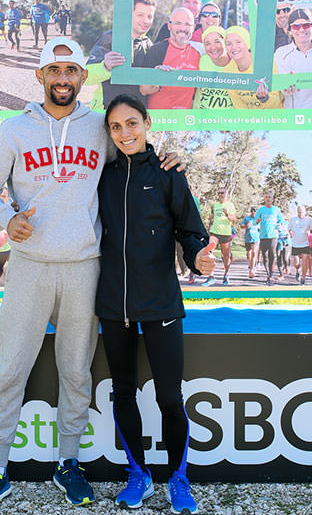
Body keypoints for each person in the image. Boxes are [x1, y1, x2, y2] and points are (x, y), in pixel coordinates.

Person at [0, 38, 182, 511]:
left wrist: (166, 160)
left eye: (72, 71)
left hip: (85, 268)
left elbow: (134, 149)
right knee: (10, 372)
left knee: (76, 375)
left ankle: (68, 464)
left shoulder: (98, 129)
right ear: (40, 76)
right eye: (54, 70)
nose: (63, 78)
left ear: (84, 77)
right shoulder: (15, 128)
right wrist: (5, 217)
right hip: (29, 268)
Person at [95, 93, 213, 513]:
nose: (125, 133)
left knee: (169, 398)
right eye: (116, 127)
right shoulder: (102, 176)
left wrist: (198, 256)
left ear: (146, 123)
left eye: (131, 123)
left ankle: (178, 480)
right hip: (113, 305)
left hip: (161, 302)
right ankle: (139, 475)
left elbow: (190, 230)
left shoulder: (169, 173)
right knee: (123, 393)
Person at [85, 0, 156, 110]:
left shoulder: (148, 44)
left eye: (149, 16)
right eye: (140, 15)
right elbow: (85, 77)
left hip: (135, 114)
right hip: (106, 112)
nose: (146, 21)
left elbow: (151, 82)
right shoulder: (109, 39)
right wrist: (105, 67)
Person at [136, 7, 200, 110]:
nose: (183, 28)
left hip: (184, 121)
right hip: (159, 120)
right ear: (169, 26)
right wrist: (158, 77)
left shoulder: (197, 55)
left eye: (188, 24)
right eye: (178, 23)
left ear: (194, 27)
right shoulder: (157, 50)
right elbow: (143, 90)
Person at [273, 8, 312, 109]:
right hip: (296, 116)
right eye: (296, 26)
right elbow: (280, 88)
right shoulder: (281, 53)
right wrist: (285, 90)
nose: (301, 30)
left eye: (306, 25)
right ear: (290, 31)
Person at [202, 188, 234, 286]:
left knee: (226, 256)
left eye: (222, 193)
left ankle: (226, 275)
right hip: (215, 232)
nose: (220, 194)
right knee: (209, 250)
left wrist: (227, 214)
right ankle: (211, 276)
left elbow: (234, 219)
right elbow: (212, 216)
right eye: (219, 193)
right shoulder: (215, 205)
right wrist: (211, 217)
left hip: (226, 233)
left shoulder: (230, 205)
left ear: (226, 194)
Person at [254, 193, 285, 286]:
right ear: (264, 199)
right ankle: (268, 273)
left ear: (272, 199)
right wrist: (257, 221)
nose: (268, 199)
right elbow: (255, 222)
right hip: (263, 236)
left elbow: (281, 221)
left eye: (270, 197)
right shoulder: (260, 210)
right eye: (266, 197)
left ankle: (271, 274)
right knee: (265, 255)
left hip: (273, 235)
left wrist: (280, 224)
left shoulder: (276, 210)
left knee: (272, 253)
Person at [288, 205, 312, 285]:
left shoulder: (308, 220)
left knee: (304, 262)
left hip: (305, 244)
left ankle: (303, 278)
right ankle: (297, 271)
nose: (300, 214)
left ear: (305, 212)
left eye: (302, 212)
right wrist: (290, 232)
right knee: (296, 264)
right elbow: (289, 229)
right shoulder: (293, 220)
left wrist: (310, 232)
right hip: (295, 244)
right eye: (299, 212)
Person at [240, 206, 260, 278]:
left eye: (255, 212)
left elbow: (262, 228)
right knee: (249, 255)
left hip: (256, 238)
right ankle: (251, 264)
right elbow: (241, 226)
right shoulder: (246, 218)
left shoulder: (258, 219)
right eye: (252, 211)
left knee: (254, 253)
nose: (253, 213)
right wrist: (246, 225)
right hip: (248, 238)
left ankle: (252, 270)